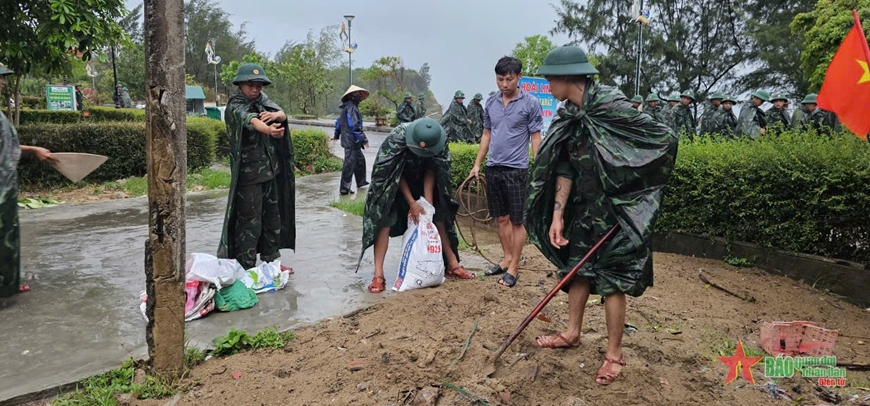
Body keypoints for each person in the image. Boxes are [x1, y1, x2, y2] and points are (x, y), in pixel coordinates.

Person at [526, 45, 677, 385]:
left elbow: (662, 141)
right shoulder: (568, 116)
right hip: (582, 209)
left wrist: (628, 189)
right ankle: (571, 332)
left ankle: (614, 354)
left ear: (567, 77)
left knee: (612, 281)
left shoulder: (611, 106)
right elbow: (564, 167)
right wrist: (558, 215)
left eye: (550, 78)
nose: (547, 83)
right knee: (575, 269)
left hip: (616, 214)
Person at [358, 118, 474, 293]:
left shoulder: (438, 140)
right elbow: (394, 173)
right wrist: (412, 203)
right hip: (394, 183)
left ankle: (453, 264)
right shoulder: (397, 138)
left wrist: (426, 206)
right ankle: (378, 274)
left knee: (439, 218)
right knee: (384, 221)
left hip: (422, 180)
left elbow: (432, 169)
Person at [468, 56, 543, 288]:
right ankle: (506, 258)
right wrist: (478, 164)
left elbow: (535, 138)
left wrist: (539, 166)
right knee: (501, 218)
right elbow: (486, 135)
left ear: (519, 77)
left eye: (509, 79)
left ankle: (514, 267)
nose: (504, 84)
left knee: (517, 221)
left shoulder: (530, 104)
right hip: (494, 168)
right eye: (500, 79)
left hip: (517, 170)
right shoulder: (491, 103)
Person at [217, 63, 296, 275]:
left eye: (259, 85)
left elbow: (282, 113)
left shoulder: (262, 100)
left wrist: (276, 118)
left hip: (270, 171)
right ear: (241, 84)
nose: (255, 89)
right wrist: (268, 129)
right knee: (250, 223)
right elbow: (250, 120)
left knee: (272, 219)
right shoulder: (236, 103)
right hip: (249, 176)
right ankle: (247, 266)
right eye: (251, 85)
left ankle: (272, 262)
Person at [1, 63, 60, 298]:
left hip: (6, 190)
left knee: (7, 237)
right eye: (0, 79)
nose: (3, 83)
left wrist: (34, 149)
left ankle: (8, 284)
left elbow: (8, 144)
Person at [333, 85, 370, 195]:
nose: (359, 96)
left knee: (360, 162)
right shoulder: (351, 108)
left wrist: (336, 135)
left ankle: (361, 182)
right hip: (351, 141)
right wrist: (363, 139)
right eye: (356, 94)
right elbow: (354, 126)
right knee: (349, 165)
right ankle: (344, 189)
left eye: (359, 94)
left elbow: (338, 123)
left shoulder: (347, 107)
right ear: (350, 96)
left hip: (354, 142)